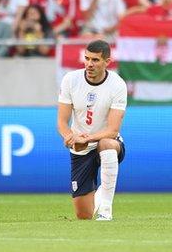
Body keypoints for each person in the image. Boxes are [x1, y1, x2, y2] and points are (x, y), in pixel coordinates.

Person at [57, 39, 127, 221]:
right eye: (87, 58)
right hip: (80, 148)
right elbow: (62, 122)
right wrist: (69, 137)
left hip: (105, 140)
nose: (89, 64)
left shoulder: (117, 85)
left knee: (107, 144)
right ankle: (101, 195)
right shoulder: (70, 80)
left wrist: (87, 138)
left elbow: (112, 130)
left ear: (107, 62)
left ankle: (105, 209)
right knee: (83, 215)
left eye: (95, 60)